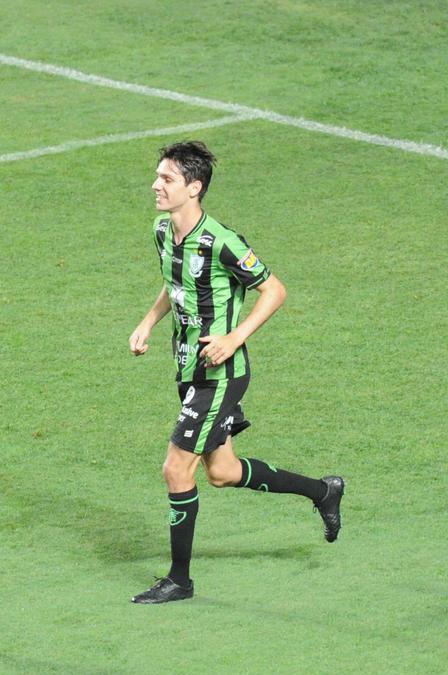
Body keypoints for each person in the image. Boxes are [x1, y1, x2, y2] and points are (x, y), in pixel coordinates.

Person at [127, 141, 344, 604]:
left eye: (167, 179)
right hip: (189, 369)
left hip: (220, 374)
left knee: (176, 469)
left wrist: (234, 337)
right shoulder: (163, 231)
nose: (156, 185)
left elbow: (275, 290)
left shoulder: (223, 241)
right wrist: (147, 322)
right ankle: (323, 491)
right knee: (223, 472)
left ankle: (180, 581)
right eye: (158, 176)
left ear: (194, 188)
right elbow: (175, 284)